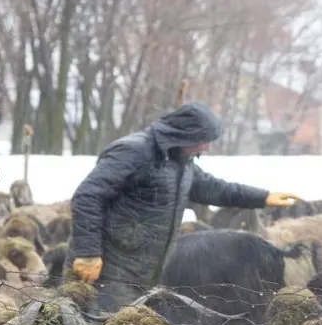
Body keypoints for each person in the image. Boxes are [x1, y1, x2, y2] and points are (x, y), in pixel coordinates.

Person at [64, 101, 300, 313]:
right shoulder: (134, 151)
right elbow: (88, 196)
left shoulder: (181, 162)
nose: (206, 147)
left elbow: (214, 188)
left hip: (146, 271)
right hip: (108, 269)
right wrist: (87, 253)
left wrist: (263, 197)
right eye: (203, 140)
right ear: (183, 135)